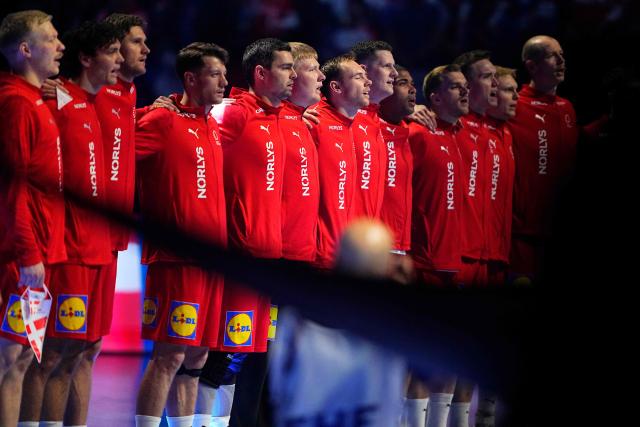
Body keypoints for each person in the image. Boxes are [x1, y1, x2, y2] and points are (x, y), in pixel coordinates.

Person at [18, 20, 122, 427]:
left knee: (82, 351)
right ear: (86, 58)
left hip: (98, 249)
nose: (119, 60)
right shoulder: (55, 98)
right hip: (67, 249)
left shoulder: (102, 101)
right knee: (48, 355)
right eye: (112, 51)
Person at [133, 42, 229, 427]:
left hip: (212, 262)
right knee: (168, 356)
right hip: (176, 261)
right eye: (215, 74)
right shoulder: (162, 120)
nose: (225, 81)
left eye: (225, 73)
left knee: (196, 359)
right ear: (191, 78)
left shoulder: (211, 122)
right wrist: (145, 109)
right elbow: (115, 145)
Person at [207, 37, 296, 427]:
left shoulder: (277, 116)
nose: (292, 75)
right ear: (261, 73)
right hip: (240, 259)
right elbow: (199, 146)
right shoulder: (237, 112)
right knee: (223, 358)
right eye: (285, 67)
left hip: (270, 261)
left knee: (256, 358)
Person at [0, 10, 65, 426]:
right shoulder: (15, 105)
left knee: (23, 358)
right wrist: (26, 254)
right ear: (26, 50)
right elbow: (11, 188)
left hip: (38, 251)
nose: (61, 46)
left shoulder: (34, 101)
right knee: (9, 362)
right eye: (52, 39)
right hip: (20, 257)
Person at [409, 64, 469, 427]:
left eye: (466, 87)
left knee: (450, 361)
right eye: (456, 87)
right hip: (423, 263)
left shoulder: (461, 134)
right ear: (434, 96)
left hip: (454, 262)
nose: (465, 93)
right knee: (419, 361)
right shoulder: (417, 133)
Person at [507, 35, 577, 284]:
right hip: (524, 235)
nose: (561, 61)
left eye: (562, 55)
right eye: (551, 55)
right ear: (532, 66)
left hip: (561, 232)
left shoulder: (567, 107)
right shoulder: (515, 107)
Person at [310, 53, 371, 269]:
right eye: (358, 77)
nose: (368, 81)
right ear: (335, 87)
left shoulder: (355, 123)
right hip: (318, 256)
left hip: (346, 255)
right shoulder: (314, 120)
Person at [451, 50, 499, 287]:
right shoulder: (451, 127)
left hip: (489, 257)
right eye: (488, 76)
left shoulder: (495, 132)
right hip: (458, 255)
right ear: (467, 85)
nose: (496, 83)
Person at [349, 40, 398, 219]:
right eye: (387, 66)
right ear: (364, 71)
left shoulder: (376, 119)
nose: (395, 73)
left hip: (368, 235)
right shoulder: (339, 115)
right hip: (343, 240)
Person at [378, 64, 416, 285]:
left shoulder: (413, 131)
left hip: (402, 247)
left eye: (412, 83)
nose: (412, 89)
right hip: (374, 247)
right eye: (403, 83)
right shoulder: (367, 127)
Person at [484, 66, 518, 287]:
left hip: (501, 251)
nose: (516, 97)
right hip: (478, 253)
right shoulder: (467, 129)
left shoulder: (506, 133)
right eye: (508, 90)